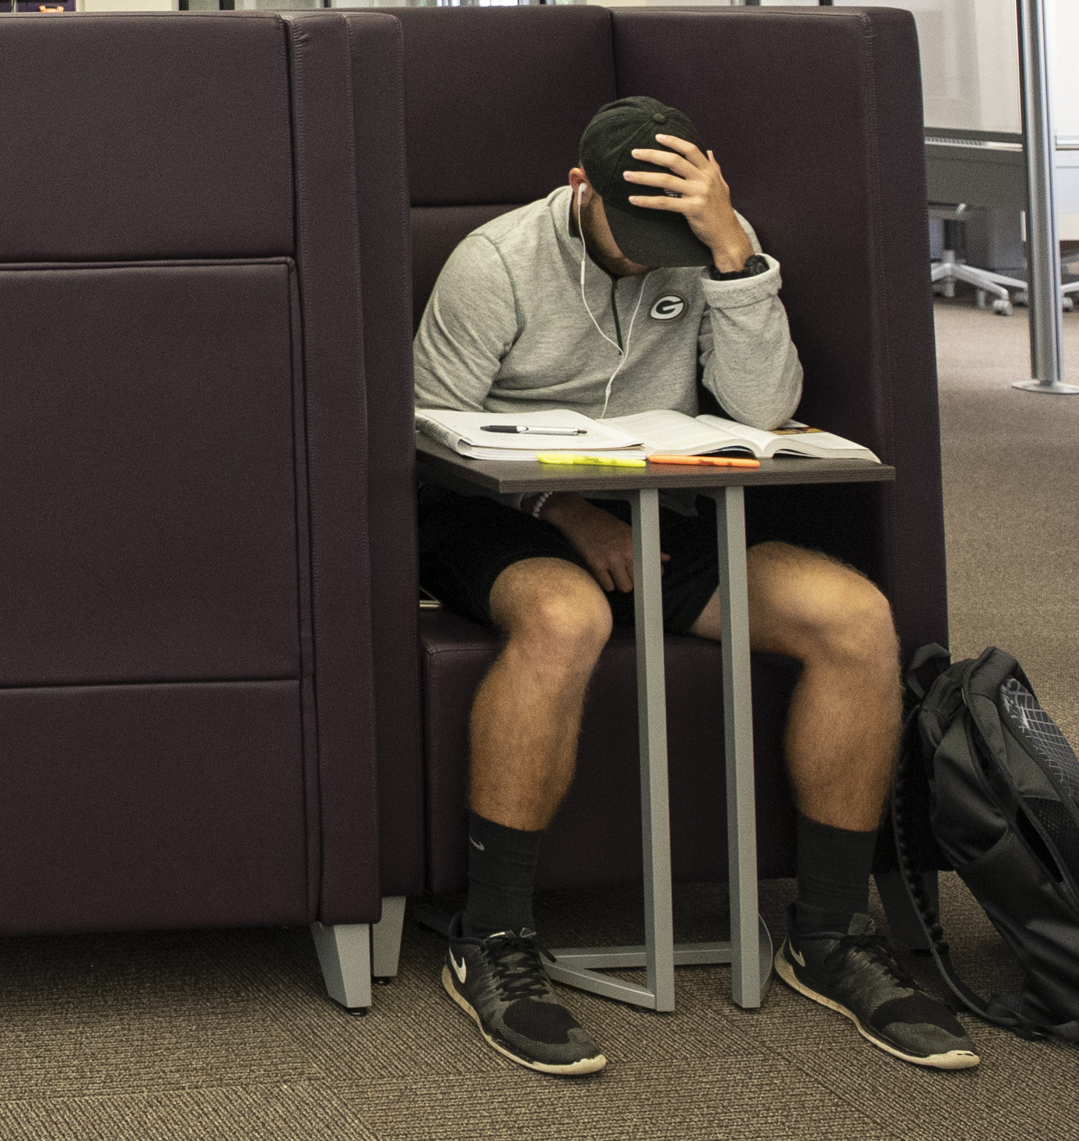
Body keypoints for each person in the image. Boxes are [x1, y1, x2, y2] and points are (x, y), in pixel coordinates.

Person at [409, 96, 972, 1083]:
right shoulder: (494, 264)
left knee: (856, 618)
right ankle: (492, 937)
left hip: (664, 510)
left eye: (668, 237)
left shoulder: (714, 246)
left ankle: (831, 935)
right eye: (632, 238)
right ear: (579, 188)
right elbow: (426, 435)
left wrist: (734, 260)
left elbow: (763, 408)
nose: (645, 257)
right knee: (564, 614)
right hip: (504, 512)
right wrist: (563, 512)